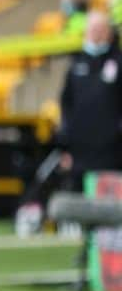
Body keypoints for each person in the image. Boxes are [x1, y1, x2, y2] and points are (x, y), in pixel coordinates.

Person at [58, 11, 122, 186]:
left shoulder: (118, 61)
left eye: (101, 29)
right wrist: (64, 145)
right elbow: (66, 105)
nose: (96, 33)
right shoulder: (76, 64)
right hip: (80, 152)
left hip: (112, 153)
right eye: (93, 29)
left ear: (110, 32)